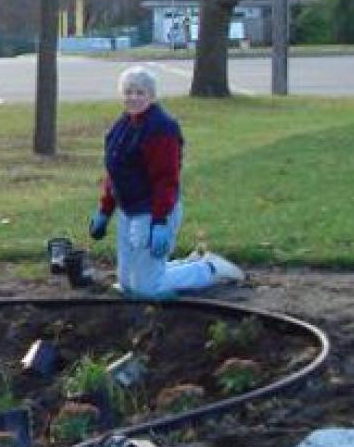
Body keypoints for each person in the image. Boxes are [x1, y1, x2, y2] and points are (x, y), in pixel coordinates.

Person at [89, 66, 243, 298]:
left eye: (140, 92)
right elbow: (116, 172)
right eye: (128, 92)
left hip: (151, 211)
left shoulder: (161, 128)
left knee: (146, 288)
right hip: (128, 210)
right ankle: (188, 264)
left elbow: (166, 179)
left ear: (151, 95)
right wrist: (105, 209)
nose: (133, 98)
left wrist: (159, 221)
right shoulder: (123, 125)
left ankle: (209, 269)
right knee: (127, 284)